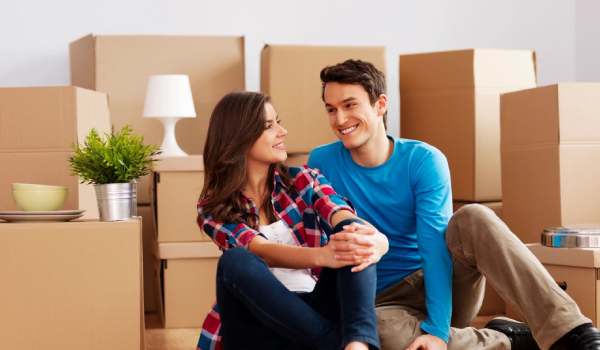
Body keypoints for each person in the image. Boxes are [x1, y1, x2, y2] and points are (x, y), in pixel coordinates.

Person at [307, 59, 600, 350]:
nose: (340, 120)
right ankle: (510, 340)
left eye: (349, 105)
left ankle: (572, 331)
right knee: (378, 332)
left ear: (380, 104)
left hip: (442, 283)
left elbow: (434, 246)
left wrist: (437, 329)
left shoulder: (422, 160)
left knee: (474, 216)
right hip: (381, 302)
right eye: (331, 109)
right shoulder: (322, 162)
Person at [195, 91, 390, 350]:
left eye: (278, 121)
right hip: (256, 326)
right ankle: (336, 343)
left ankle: (357, 344)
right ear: (238, 137)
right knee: (235, 260)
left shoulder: (304, 180)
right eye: (268, 126)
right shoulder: (213, 208)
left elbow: (340, 212)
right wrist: (323, 255)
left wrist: (374, 239)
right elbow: (261, 251)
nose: (282, 131)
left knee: (351, 231)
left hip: (314, 308)